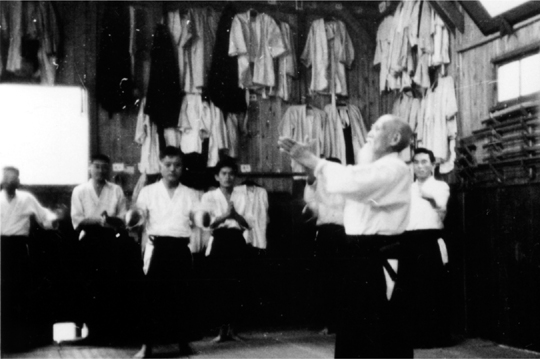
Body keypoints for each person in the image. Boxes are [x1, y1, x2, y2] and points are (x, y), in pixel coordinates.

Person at [278, 114, 414, 358]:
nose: (369, 133)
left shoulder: (396, 169)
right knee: (356, 331)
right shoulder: (370, 171)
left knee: (379, 332)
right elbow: (343, 190)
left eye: (377, 127)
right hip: (360, 257)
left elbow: (351, 182)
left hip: (377, 258)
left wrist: (315, 161)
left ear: (394, 138)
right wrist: (313, 168)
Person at [133, 146, 200, 358]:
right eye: (168, 165)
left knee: (182, 298)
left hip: (180, 248)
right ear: (160, 166)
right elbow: (140, 217)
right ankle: (146, 346)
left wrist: (203, 218)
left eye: (177, 165)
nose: (173, 169)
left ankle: (183, 343)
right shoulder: (148, 192)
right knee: (151, 299)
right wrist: (134, 217)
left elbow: (199, 218)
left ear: (183, 168)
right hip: (157, 248)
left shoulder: (190, 194)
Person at [1, 166, 64, 350]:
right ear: (2, 182)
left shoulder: (27, 198)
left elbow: (45, 216)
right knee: (3, 294)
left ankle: (20, 341)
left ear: (18, 181)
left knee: (20, 293)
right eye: (7, 178)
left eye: (14, 179)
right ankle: (4, 341)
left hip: (19, 248)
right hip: (1, 247)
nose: (10, 182)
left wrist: (55, 219)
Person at [70, 153, 130, 342]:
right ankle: (90, 332)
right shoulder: (80, 190)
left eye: (105, 167)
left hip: (110, 241)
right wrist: (100, 220)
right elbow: (78, 220)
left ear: (109, 169)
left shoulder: (116, 190)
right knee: (89, 286)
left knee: (110, 285)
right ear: (90, 167)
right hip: (88, 241)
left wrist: (110, 221)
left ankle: (109, 331)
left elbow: (123, 218)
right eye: (97, 166)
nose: (101, 170)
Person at [403, 147, 452, 348]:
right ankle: (412, 337)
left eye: (425, 162)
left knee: (431, 289)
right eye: (417, 162)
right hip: (408, 241)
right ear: (412, 166)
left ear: (433, 165)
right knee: (410, 289)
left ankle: (434, 337)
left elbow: (441, 210)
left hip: (430, 241)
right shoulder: (406, 189)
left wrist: (429, 198)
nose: (421, 166)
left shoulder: (441, 186)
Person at [198, 157, 250, 343]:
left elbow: (248, 224)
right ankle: (221, 331)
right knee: (219, 286)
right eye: (224, 174)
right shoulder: (208, 197)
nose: (228, 178)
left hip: (236, 241)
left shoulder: (242, 196)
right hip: (219, 241)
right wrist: (225, 216)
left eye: (231, 174)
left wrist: (236, 216)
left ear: (235, 177)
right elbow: (207, 224)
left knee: (237, 285)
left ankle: (234, 330)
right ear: (217, 177)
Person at [303, 157, 345, 335]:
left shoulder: (347, 187)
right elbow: (309, 193)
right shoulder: (317, 185)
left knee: (342, 280)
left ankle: (339, 323)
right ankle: (324, 322)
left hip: (345, 234)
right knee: (324, 279)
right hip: (325, 234)